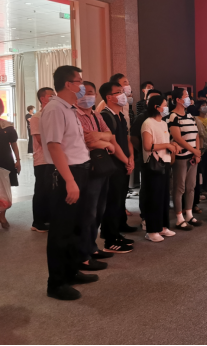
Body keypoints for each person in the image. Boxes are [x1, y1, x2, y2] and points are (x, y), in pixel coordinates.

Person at [40, 65, 95, 301]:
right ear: (68, 84)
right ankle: (56, 283)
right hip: (66, 174)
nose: (82, 86)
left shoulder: (70, 108)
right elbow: (54, 146)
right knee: (61, 230)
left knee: (76, 226)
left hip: (80, 171)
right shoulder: (54, 109)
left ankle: (71, 271)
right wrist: (70, 181)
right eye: (79, 81)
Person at [76, 81, 117, 271]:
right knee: (88, 212)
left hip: (101, 166)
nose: (88, 96)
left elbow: (109, 134)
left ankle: (92, 247)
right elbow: (87, 140)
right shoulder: (75, 115)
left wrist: (102, 138)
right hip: (86, 167)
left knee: (99, 209)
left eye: (91, 92)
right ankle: (83, 255)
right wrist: (105, 142)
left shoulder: (96, 114)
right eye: (84, 92)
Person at [99, 81, 135, 254]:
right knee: (112, 202)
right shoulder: (105, 116)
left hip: (123, 163)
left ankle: (117, 231)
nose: (123, 95)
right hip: (113, 165)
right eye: (118, 92)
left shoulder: (120, 115)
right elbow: (112, 143)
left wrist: (131, 158)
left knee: (120, 199)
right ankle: (110, 239)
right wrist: (126, 161)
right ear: (109, 97)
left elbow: (126, 139)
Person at [141, 96, 178, 242]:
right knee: (154, 198)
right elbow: (147, 146)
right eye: (164, 105)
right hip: (153, 165)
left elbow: (163, 142)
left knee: (163, 197)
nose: (166, 107)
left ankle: (162, 226)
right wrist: (167, 145)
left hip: (165, 162)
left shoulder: (163, 123)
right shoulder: (148, 123)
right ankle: (151, 230)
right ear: (156, 107)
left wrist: (172, 145)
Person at [168, 87, 202, 231]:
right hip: (181, 157)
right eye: (186, 96)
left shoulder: (189, 116)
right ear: (178, 100)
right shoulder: (173, 116)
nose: (189, 98)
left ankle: (189, 214)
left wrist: (197, 152)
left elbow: (196, 135)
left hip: (193, 157)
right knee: (179, 187)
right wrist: (193, 150)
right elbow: (177, 138)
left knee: (191, 186)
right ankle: (179, 218)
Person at [130, 89, 162, 226]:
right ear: (147, 102)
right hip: (146, 158)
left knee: (158, 188)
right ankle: (145, 217)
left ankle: (158, 217)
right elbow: (133, 138)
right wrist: (143, 150)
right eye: (152, 100)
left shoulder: (162, 117)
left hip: (161, 157)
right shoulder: (142, 117)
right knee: (147, 188)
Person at [30, 87, 55, 233]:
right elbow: (40, 139)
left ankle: (48, 219)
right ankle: (37, 222)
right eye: (51, 95)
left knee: (51, 190)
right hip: (42, 159)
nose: (54, 97)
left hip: (54, 158)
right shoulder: (37, 117)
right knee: (41, 190)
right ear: (42, 99)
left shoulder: (54, 115)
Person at [0, 98, 20, 230]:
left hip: (5, 161)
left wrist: (18, 160)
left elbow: (14, 144)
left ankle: (2, 215)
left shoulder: (7, 126)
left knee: (5, 190)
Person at [193, 100, 207, 213]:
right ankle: (199, 191)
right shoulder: (195, 119)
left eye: (206, 105)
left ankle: (206, 188)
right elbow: (198, 135)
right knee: (200, 171)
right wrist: (199, 149)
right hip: (200, 149)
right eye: (203, 105)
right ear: (198, 108)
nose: (205, 107)